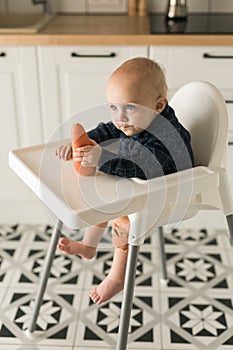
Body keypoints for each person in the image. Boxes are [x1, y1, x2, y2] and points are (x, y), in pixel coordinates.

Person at [56, 57, 194, 305]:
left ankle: (117, 277)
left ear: (159, 105)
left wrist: (101, 159)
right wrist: (84, 143)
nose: (120, 117)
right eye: (113, 107)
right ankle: (89, 245)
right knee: (106, 193)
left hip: (172, 190)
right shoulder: (140, 118)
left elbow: (143, 166)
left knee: (122, 216)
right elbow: (111, 129)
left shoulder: (166, 138)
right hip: (146, 183)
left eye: (129, 107)